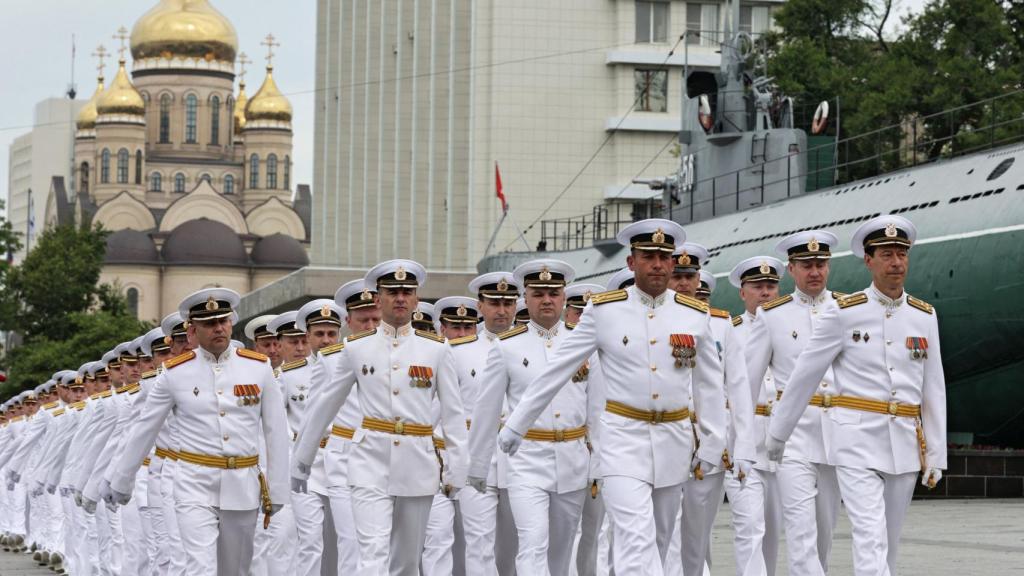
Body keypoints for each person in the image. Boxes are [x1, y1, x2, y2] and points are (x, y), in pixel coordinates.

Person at [500, 219, 727, 575]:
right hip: (622, 440)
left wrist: (714, 442)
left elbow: (709, 383)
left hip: (674, 441)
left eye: (664, 257)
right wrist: (516, 425)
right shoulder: (604, 311)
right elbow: (557, 369)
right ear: (631, 262)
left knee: (660, 539)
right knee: (636, 537)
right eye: (648, 256)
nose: (657, 264)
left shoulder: (693, 315)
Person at [768, 215, 946, 576]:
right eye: (886, 254)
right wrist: (777, 435)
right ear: (869, 260)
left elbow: (933, 386)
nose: (896, 262)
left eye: (901, 254)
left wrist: (936, 453)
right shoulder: (843, 312)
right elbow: (805, 375)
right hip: (855, 440)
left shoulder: (924, 316)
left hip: (906, 443)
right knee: (869, 535)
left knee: (889, 542)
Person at [292, 260, 467, 575]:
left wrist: (458, 467)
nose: (400, 297)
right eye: (392, 291)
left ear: (416, 300)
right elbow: (325, 405)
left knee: (407, 562)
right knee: (371, 554)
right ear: (377, 298)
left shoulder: (436, 350)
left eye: (407, 292)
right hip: (369, 461)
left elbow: (453, 414)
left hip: (419, 462)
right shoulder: (355, 349)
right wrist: (302, 460)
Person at [110, 288, 290, 576]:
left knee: (236, 569)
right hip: (193, 483)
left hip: (243, 483)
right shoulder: (175, 373)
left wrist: (278, 488)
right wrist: (121, 480)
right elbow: (145, 428)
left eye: (223, 321)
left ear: (232, 323)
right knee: (199, 567)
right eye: (209, 324)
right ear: (192, 331)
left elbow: (276, 431)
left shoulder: (257, 367)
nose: (218, 328)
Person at [470, 260, 601, 576]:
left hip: (573, 459)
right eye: (538, 293)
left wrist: (599, 461)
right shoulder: (507, 347)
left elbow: (597, 409)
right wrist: (476, 465)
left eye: (553, 293)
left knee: (561, 551)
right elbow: (486, 410)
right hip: (526, 459)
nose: (547, 300)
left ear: (564, 297)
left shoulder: (584, 343)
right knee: (532, 543)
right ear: (524, 299)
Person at [745, 232, 843, 576]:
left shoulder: (847, 310)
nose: (814, 271)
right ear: (791, 269)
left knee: (823, 534)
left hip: (837, 435)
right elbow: (749, 382)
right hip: (792, 436)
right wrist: (741, 442)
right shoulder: (772, 316)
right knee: (800, 533)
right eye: (806, 265)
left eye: (820, 264)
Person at [668, 245, 756, 576]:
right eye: (677, 276)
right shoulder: (651, 320)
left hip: (709, 444)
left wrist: (742, 447)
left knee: (697, 535)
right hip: (666, 437)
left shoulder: (720, 324)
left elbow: (739, 389)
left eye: (689, 277)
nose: (683, 283)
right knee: (667, 531)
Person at [447, 270, 522, 576]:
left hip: (522, 458)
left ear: (516, 305)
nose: (501, 310)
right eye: (494, 302)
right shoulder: (455, 353)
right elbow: (443, 413)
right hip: (476, 456)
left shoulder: (531, 347)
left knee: (520, 544)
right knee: (479, 544)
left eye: (507, 302)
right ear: (480, 306)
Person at [729, 256, 788, 576]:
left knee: (774, 534)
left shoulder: (790, 329)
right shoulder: (731, 332)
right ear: (743, 293)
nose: (765, 293)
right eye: (757, 287)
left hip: (782, 444)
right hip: (745, 443)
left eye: (771, 286)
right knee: (749, 527)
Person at [561, 282, 608, 576]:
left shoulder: (613, 348)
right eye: (578, 312)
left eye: (588, 314)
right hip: (568, 450)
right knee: (567, 533)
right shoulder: (562, 349)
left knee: (595, 533)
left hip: (607, 450)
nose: (582, 320)